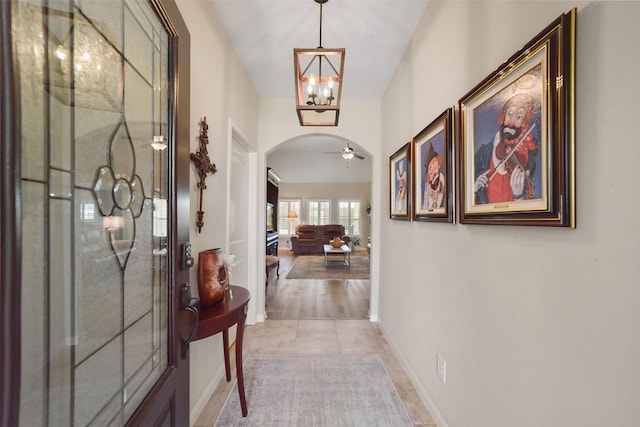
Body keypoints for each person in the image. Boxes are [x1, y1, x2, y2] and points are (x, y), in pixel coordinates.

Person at [474, 93, 538, 204]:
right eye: (510, 114)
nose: (512, 123)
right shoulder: (483, 152)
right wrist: (474, 189)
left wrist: (518, 196)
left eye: (519, 117)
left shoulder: (528, 155)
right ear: (503, 118)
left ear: (523, 123)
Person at [422, 143, 445, 209]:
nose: (433, 171)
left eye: (435, 167)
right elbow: (425, 204)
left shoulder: (441, 178)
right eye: (430, 168)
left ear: (439, 166)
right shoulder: (428, 183)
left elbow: (440, 196)